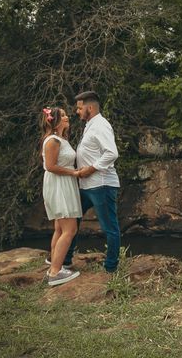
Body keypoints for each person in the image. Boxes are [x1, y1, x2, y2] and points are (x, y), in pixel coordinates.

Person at [65, 91, 121, 273]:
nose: (77, 111)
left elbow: (112, 153)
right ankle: (65, 260)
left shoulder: (101, 126)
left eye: (80, 108)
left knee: (109, 228)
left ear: (90, 108)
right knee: (72, 220)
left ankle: (111, 268)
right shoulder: (90, 125)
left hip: (101, 184)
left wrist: (90, 169)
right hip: (86, 185)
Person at [40, 106, 82, 286]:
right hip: (59, 185)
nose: (67, 117)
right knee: (69, 229)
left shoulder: (61, 139)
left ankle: (53, 267)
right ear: (55, 121)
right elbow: (50, 166)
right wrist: (73, 173)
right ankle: (56, 273)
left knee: (59, 228)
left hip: (64, 184)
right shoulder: (53, 141)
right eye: (63, 115)